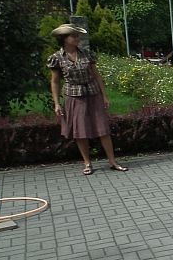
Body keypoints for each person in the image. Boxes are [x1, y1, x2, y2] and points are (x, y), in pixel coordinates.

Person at [47, 23, 128, 175]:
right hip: (73, 96)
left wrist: (104, 96)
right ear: (64, 39)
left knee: (103, 128)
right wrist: (57, 103)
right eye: (74, 36)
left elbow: (96, 75)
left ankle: (112, 161)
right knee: (80, 131)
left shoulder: (86, 54)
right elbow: (55, 82)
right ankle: (87, 162)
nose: (77, 39)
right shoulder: (57, 58)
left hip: (92, 93)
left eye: (77, 36)